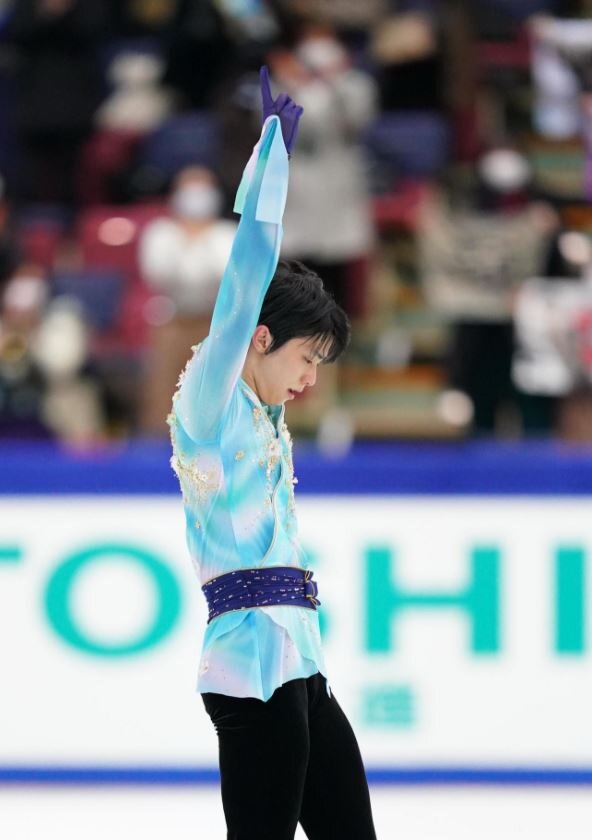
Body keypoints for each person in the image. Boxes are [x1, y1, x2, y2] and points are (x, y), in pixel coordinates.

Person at [168, 68, 377, 839]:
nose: (311, 378)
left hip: (300, 662)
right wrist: (270, 163)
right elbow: (247, 275)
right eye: (306, 358)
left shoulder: (265, 412)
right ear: (260, 340)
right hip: (250, 670)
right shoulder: (212, 399)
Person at [139, 165, 236, 436]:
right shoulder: (161, 233)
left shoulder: (226, 234)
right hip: (174, 320)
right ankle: (158, 444)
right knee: (163, 395)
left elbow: (225, 276)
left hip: (214, 323)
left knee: (215, 394)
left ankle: (215, 443)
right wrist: (187, 238)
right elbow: (157, 273)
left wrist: (200, 239)